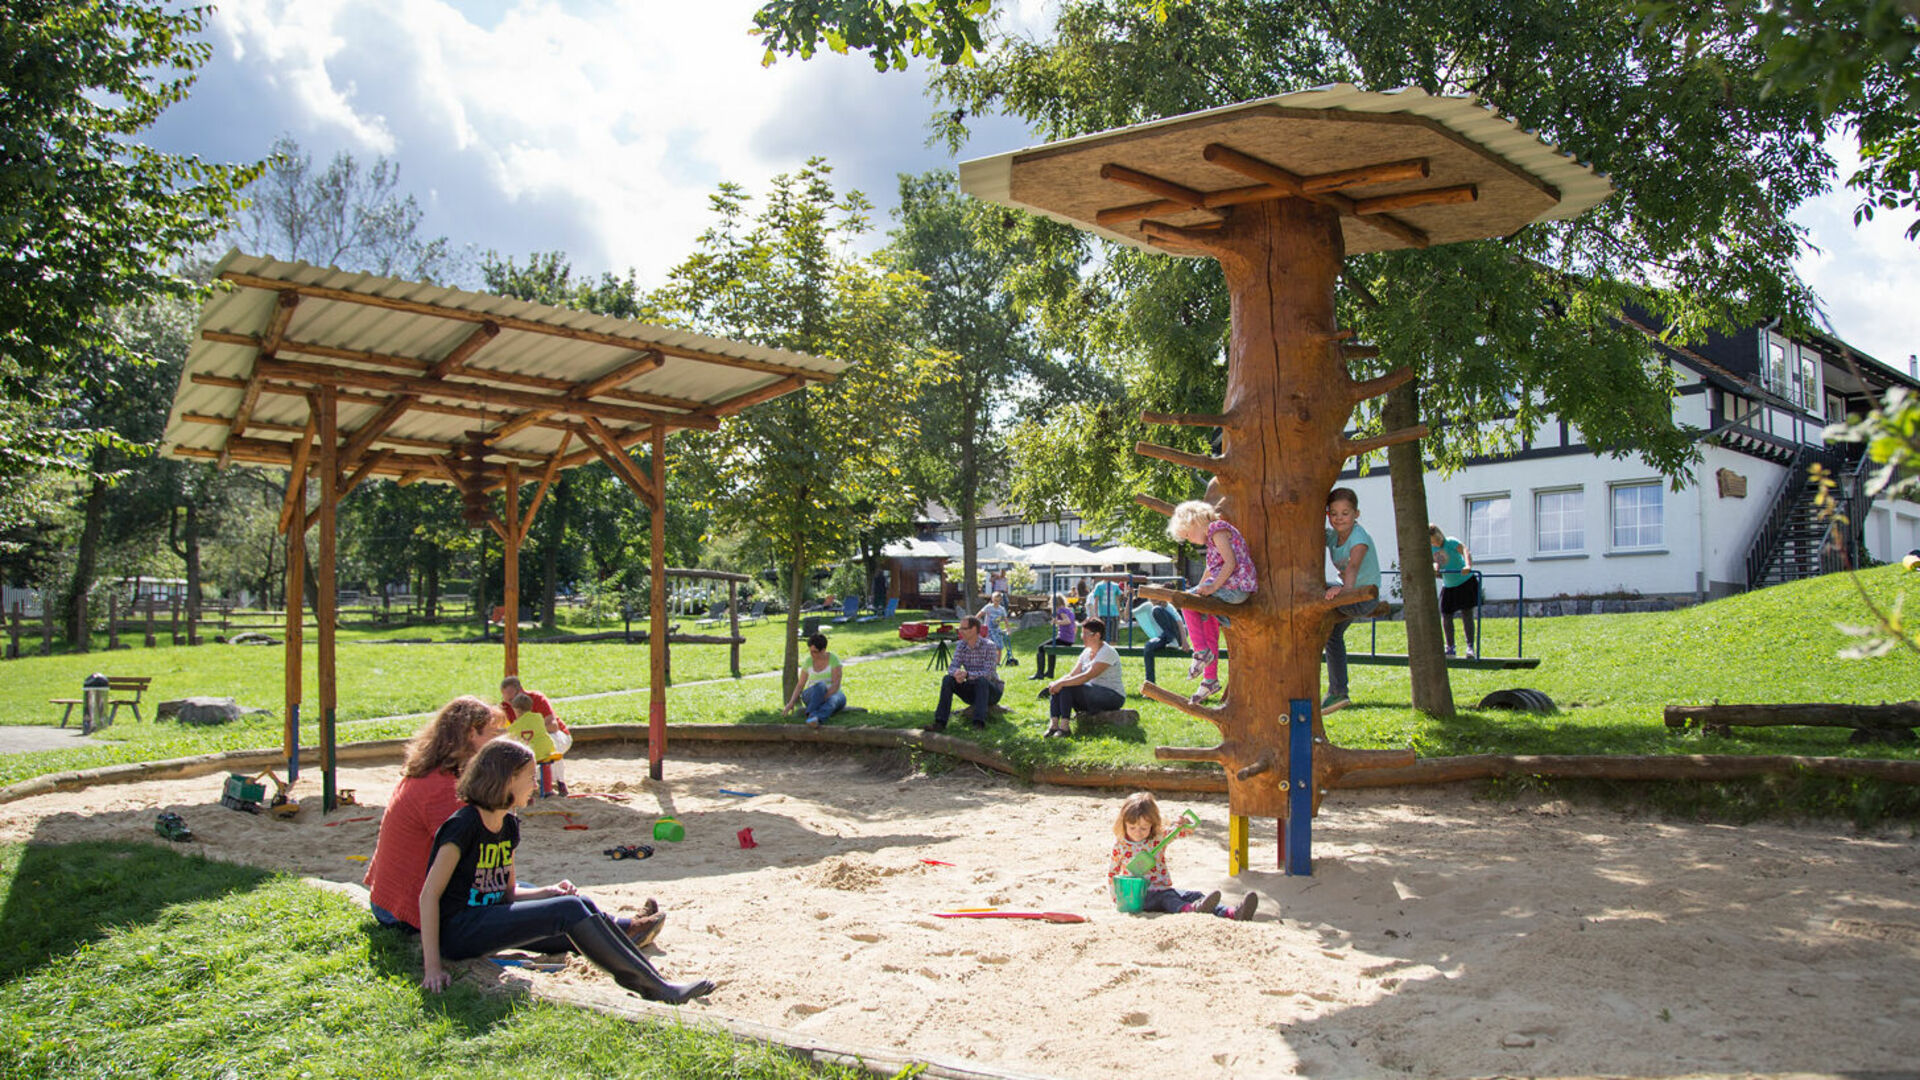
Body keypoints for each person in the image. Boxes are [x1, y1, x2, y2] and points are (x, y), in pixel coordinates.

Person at [418, 739, 714, 1004]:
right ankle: (655, 989)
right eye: (529, 777)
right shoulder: (463, 825)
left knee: (580, 906)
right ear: (508, 779)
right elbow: (429, 896)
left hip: (491, 920)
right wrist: (433, 968)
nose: (534, 784)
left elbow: (506, 892)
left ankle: (654, 978)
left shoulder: (507, 824)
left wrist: (546, 892)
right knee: (570, 909)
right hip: (460, 932)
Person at [364, 696, 663, 945]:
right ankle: (616, 933)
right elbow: (478, 874)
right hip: (411, 910)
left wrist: (539, 892)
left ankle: (618, 927)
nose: (500, 741)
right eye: (494, 734)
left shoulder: (436, 773)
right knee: (530, 914)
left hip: (399, 898)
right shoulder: (444, 791)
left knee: (540, 897)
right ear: (471, 735)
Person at [1106, 791, 1256, 920]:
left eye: (1144, 828)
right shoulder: (1121, 846)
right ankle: (1190, 911)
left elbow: (1181, 832)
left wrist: (1183, 824)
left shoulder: (1157, 839)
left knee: (1194, 895)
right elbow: (1112, 872)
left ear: (1152, 825)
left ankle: (1232, 913)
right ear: (1124, 823)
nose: (1138, 832)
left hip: (1163, 888)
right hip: (1140, 896)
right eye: (1132, 827)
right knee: (1168, 899)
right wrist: (1117, 897)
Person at [1166, 500, 1257, 705]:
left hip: (1234, 588)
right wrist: (1200, 592)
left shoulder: (1217, 530)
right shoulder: (1213, 538)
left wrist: (1212, 588)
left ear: (1195, 521)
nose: (1190, 540)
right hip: (1229, 588)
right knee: (1206, 622)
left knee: (1189, 603)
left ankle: (1200, 652)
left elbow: (1230, 562)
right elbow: (1209, 570)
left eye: (1188, 534)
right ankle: (1210, 679)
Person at [1323, 487, 1380, 715]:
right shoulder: (1333, 535)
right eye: (1334, 513)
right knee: (1332, 635)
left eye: (1345, 513)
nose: (1339, 518)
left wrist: (1342, 593)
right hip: (1349, 594)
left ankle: (1338, 690)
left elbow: (1353, 568)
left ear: (1356, 514)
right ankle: (1339, 692)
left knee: (1313, 596)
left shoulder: (1359, 539)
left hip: (1361, 596)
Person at [1040, 616, 1125, 737]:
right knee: (1061, 686)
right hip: (1091, 694)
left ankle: (1065, 727)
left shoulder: (1108, 652)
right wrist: (1056, 683)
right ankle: (1053, 725)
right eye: (1082, 633)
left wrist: (1062, 683)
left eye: (1085, 634)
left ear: (1097, 635)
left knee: (1067, 685)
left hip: (1112, 696)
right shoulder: (1086, 652)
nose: (1082, 637)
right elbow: (1072, 674)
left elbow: (1087, 676)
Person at [501, 675, 570, 797]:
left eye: (512, 700)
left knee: (550, 746)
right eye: (507, 700)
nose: (511, 705)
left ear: (520, 691)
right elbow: (508, 732)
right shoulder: (505, 707)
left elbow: (553, 727)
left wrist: (533, 729)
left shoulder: (536, 699)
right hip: (529, 739)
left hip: (554, 736)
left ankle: (560, 781)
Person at [931, 615, 1002, 730]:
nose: (960, 631)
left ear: (973, 629)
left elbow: (988, 673)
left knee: (981, 680)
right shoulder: (961, 645)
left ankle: (978, 724)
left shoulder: (989, 646)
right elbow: (953, 666)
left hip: (991, 691)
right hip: (971, 688)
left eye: (963, 628)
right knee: (947, 679)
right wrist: (956, 673)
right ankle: (940, 722)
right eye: (960, 628)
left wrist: (967, 675)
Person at [1430, 524, 1478, 658]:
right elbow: (1436, 561)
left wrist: (1468, 565)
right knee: (1446, 615)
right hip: (1449, 585)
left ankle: (1470, 648)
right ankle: (1450, 647)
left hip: (1464, 582)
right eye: (1433, 541)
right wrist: (1435, 568)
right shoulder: (1432, 548)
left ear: (1440, 534)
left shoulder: (1450, 542)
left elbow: (1465, 550)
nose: (1436, 543)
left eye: (1437, 539)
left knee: (1467, 614)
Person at [784, 633, 845, 726]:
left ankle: (814, 718)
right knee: (820, 686)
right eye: (810, 651)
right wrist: (791, 702)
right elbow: (800, 685)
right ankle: (813, 715)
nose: (812, 654)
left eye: (815, 652)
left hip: (832, 693)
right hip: (812, 694)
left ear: (823, 650)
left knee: (832, 701)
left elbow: (836, 685)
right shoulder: (808, 662)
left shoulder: (834, 660)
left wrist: (823, 699)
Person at [1134, 590, 1188, 678]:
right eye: (1151, 596)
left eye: (1156, 596)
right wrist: (1129, 598)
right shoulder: (1148, 606)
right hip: (1165, 637)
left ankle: (1173, 640)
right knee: (1148, 646)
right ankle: (1150, 682)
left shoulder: (1167, 606)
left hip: (1176, 635)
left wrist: (1184, 641)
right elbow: (1127, 615)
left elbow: (1180, 623)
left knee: (1156, 610)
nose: (1153, 599)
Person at [1030, 592, 1077, 679]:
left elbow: (1067, 621)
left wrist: (1057, 622)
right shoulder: (1068, 610)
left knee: (1041, 648)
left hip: (1064, 638)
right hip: (1069, 639)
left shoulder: (1060, 610)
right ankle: (1049, 673)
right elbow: (1074, 625)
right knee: (1050, 649)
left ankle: (1039, 673)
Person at [976, 591, 1011, 662]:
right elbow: (979, 615)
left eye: (998, 601)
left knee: (999, 646)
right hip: (988, 629)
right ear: (992, 599)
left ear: (1001, 600)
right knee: (990, 646)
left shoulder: (1001, 609)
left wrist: (1008, 630)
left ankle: (997, 662)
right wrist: (974, 623)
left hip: (997, 629)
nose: (996, 602)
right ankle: (988, 661)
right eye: (995, 600)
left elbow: (1006, 620)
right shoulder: (988, 607)